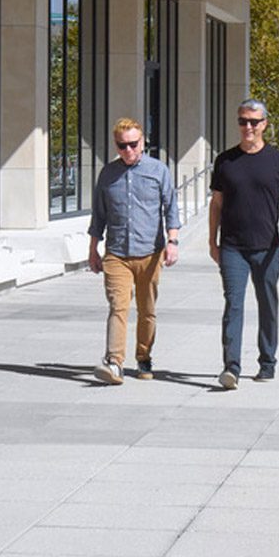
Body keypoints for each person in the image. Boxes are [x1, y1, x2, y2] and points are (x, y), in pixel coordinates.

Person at [209, 98, 279, 389]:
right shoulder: (225, 160)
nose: (248, 127)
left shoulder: (278, 160)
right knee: (233, 305)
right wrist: (212, 240)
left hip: (268, 247)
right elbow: (216, 204)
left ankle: (267, 362)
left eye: (254, 122)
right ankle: (231, 367)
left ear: (264, 125)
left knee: (267, 305)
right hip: (233, 246)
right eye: (243, 121)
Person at [85, 117, 181, 384]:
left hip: (150, 253)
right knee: (118, 306)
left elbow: (170, 209)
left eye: (133, 144)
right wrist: (93, 250)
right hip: (116, 253)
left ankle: (143, 356)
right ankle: (114, 362)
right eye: (121, 145)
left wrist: (172, 242)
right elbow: (98, 216)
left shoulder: (158, 171)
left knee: (147, 310)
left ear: (143, 143)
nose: (127, 150)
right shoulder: (108, 174)